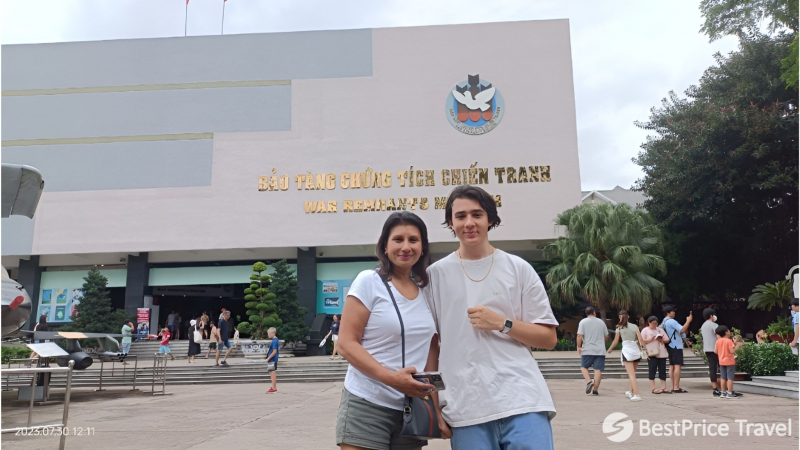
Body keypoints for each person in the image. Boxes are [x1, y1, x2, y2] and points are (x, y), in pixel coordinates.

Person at [425, 185, 559, 449]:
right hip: (465, 406)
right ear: (450, 222)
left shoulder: (518, 268)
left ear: (490, 219)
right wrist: (433, 404)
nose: (469, 222)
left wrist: (502, 324)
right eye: (460, 216)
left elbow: (548, 338)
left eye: (477, 214)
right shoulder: (435, 276)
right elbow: (431, 345)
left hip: (522, 400)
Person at [335, 211, 437, 450]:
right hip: (367, 402)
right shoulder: (369, 281)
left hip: (411, 406)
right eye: (398, 239)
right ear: (384, 246)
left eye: (413, 240)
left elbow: (432, 350)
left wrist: (434, 409)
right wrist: (392, 380)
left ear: (422, 247)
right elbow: (346, 344)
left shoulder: (427, 290)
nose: (406, 247)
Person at [607, 310, 646, 402]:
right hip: (636, 351)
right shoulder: (634, 326)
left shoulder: (619, 327)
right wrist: (644, 350)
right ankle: (630, 391)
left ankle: (637, 394)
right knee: (633, 374)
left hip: (627, 351)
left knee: (631, 375)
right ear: (628, 317)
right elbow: (641, 340)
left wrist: (610, 349)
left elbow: (615, 341)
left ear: (619, 317)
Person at [577, 306, 609, 396]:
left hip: (588, 349)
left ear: (586, 313)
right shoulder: (601, 322)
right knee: (597, 369)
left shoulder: (583, 322)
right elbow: (607, 336)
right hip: (600, 350)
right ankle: (595, 389)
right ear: (594, 312)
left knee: (584, 367)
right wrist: (602, 343)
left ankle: (589, 381)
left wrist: (579, 346)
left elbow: (579, 335)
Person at [662, 306, 692, 393]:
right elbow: (682, 330)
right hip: (676, 345)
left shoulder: (664, 322)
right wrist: (688, 321)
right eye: (672, 311)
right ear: (668, 313)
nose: (674, 312)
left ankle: (674, 385)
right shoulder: (672, 321)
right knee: (677, 365)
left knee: (672, 366)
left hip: (669, 345)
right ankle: (676, 387)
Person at [641, 316, 670, 394]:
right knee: (652, 369)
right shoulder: (645, 330)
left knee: (662, 370)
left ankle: (663, 387)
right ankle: (653, 387)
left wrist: (661, 339)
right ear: (649, 323)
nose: (654, 325)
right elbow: (641, 341)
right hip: (651, 352)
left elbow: (667, 339)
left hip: (661, 352)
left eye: (656, 323)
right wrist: (650, 339)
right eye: (652, 323)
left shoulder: (660, 330)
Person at [714, 325, 745, 399]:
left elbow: (715, 351)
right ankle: (730, 393)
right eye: (728, 330)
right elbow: (732, 351)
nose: (729, 331)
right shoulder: (729, 341)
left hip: (721, 362)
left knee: (723, 377)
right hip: (729, 362)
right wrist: (737, 345)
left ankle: (723, 392)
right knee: (730, 378)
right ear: (726, 332)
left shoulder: (718, 341)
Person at [700, 308, 721, 397]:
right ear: (711, 315)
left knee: (712, 368)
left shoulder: (703, 325)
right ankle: (724, 387)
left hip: (707, 349)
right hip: (716, 349)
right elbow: (719, 337)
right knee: (722, 367)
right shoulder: (714, 325)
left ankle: (714, 388)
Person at [264, 327, 280, 393]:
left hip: (272, 359)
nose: (268, 335)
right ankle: (273, 387)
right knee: (271, 372)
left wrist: (268, 358)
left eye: (269, 333)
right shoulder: (275, 340)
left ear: (273, 333)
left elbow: (274, 351)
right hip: (272, 359)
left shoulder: (275, 341)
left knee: (272, 373)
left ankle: (274, 388)